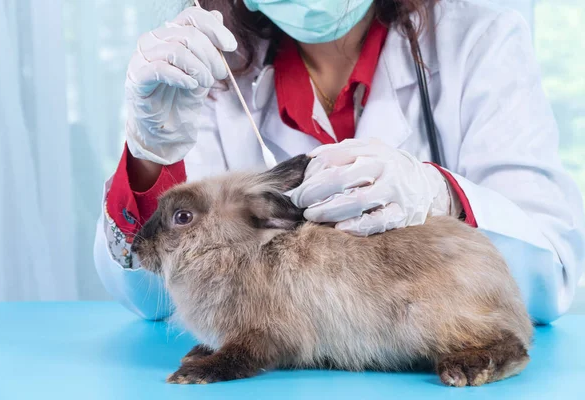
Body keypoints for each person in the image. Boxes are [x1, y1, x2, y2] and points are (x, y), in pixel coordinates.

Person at [94, 0, 585, 324]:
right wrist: (150, 158)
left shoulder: (478, 39)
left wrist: (443, 197)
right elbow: (148, 300)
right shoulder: (212, 70)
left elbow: (550, 278)